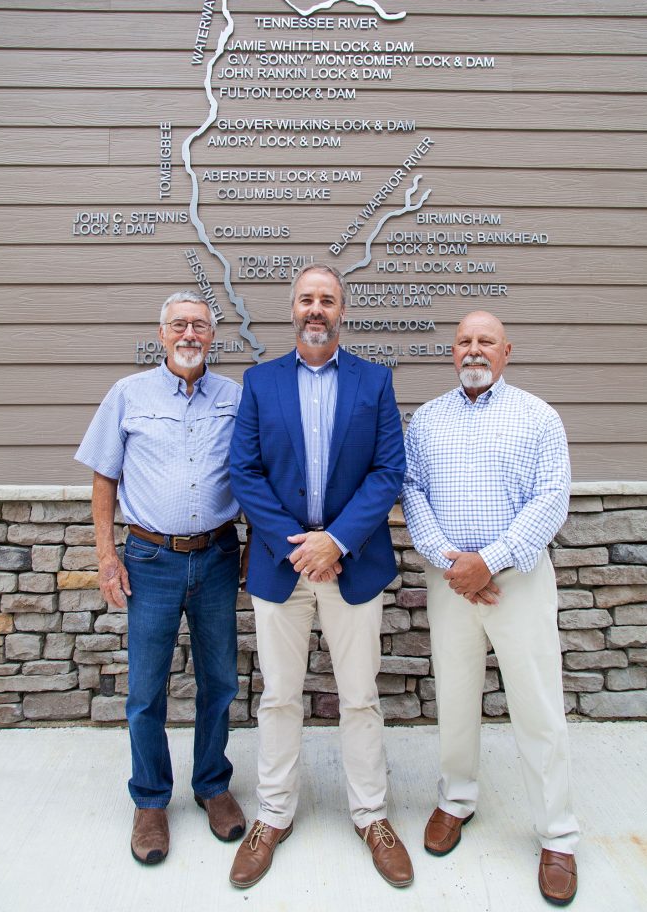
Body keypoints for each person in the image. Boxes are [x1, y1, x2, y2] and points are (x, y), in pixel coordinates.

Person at [227, 263, 413, 889]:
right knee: (279, 696)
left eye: (326, 300)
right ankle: (273, 814)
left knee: (359, 696)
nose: (316, 309)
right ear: (292, 309)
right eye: (306, 299)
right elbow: (245, 472)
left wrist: (335, 541)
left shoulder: (375, 382)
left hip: (351, 564)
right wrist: (298, 546)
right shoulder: (259, 383)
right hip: (284, 568)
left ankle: (372, 815)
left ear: (341, 310)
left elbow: (389, 471)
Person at [402, 310, 579, 906]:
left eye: (485, 342)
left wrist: (491, 561)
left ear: (507, 351)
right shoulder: (427, 421)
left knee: (537, 705)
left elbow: (551, 499)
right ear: (453, 352)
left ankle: (557, 834)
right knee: (454, 698)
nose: (473, 350)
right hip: (450, 580)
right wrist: (453, 563)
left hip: (518, 582)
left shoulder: (537, 417)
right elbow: (413, 491)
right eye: (463, 341)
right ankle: (455, 800)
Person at [75, 290, 245, 865]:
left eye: (199, 325)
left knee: (220, 682)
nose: (189, 334)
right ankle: (150, 801)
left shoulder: (235, 397)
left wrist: (255, 544)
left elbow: (253, 473)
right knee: (146, 690)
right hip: (149, 559)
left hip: (218, 556)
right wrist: (105, 555)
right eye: (179, 325)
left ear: (213, 335)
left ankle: (212, 786)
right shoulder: (128, 395)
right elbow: (104, 479)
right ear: (162, 332)